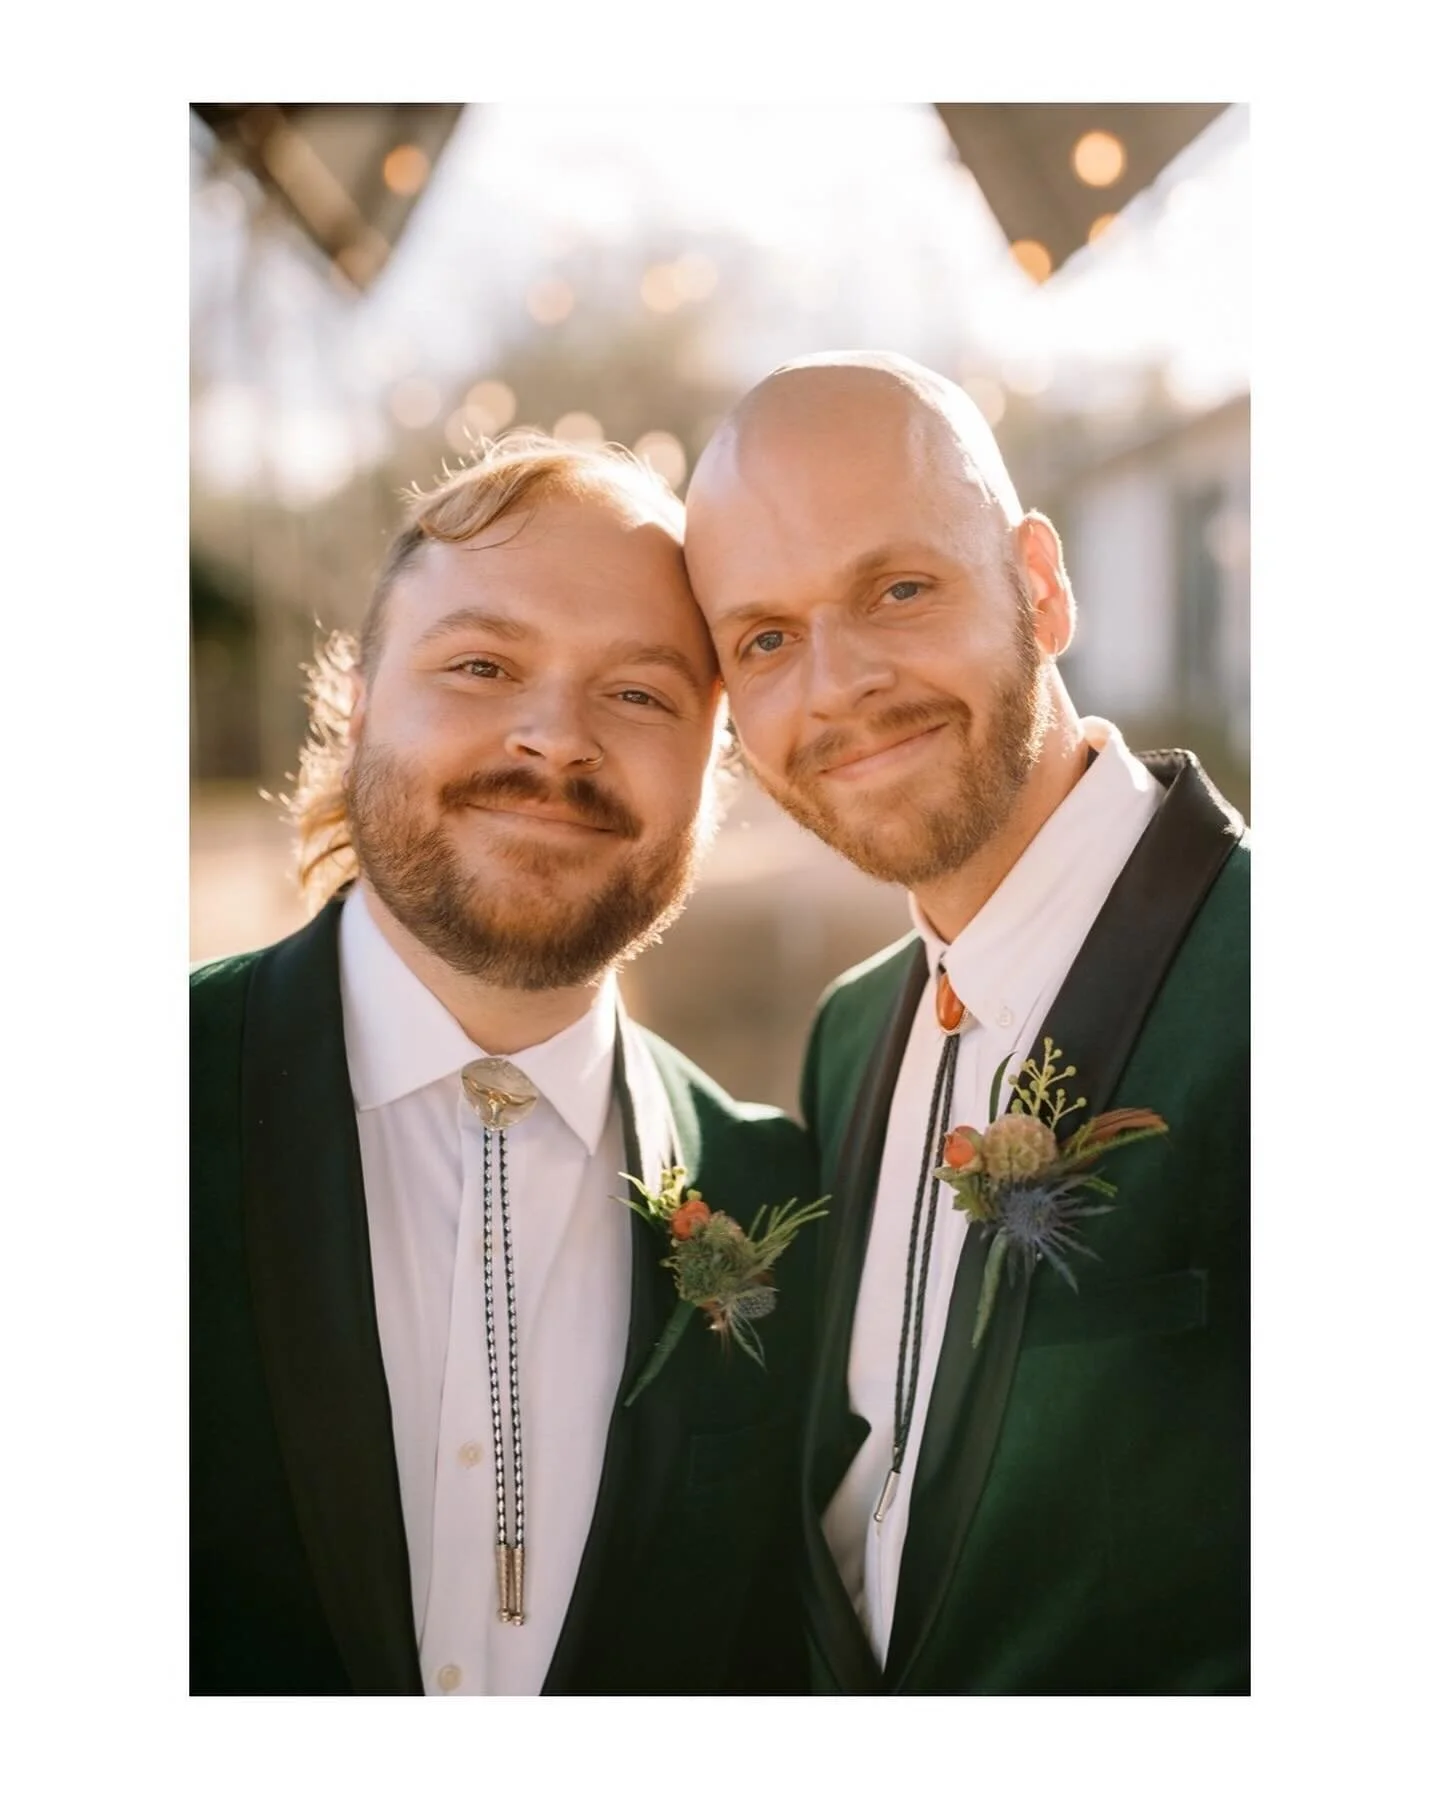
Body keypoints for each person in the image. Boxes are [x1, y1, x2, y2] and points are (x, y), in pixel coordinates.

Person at [191, 434, 821, 1696]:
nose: (554, 739)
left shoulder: (782, 1202)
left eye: (639, 693)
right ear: (355, 697)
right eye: (482, 665)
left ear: (716, 766)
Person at [683, 351, 1248, 1695]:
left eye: (898, 587)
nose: (837, 686)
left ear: (1039, 586)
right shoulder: (848, 1031)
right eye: (764, 637)